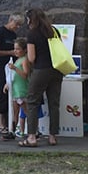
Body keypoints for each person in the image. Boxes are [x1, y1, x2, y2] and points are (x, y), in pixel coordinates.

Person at [21, 8, 63, 148]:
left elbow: (32, 58)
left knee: (32, 101)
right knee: (54, 103)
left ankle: (32, 136)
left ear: (30, 19)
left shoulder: (32, 34)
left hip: (41, 70)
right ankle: (53, 136)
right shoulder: (54, 31)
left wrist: (26, 56)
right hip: (57, 69)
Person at [0, 13, 24, 140]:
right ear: (10, 21)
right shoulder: (0, 32)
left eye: (20, 25)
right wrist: (9, 52)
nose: (18, 27)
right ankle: (1, 123)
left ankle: (12, 122)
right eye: (17, 24)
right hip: (0, 67)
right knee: (2, 93)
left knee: (13, 94)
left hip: (12, 67)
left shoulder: (13, 35)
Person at [7, 36, 30, 139]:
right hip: (15, 90)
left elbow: (25, 75)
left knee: (26, 110)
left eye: (18, 49)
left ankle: (32, 130)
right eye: (14, 49)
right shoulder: (17, 60)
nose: (15, 51)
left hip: (22, 90)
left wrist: (15, 68)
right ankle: (13, 130)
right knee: (14, 111)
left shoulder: (24, 60)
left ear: (24, 50)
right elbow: (12, 76)